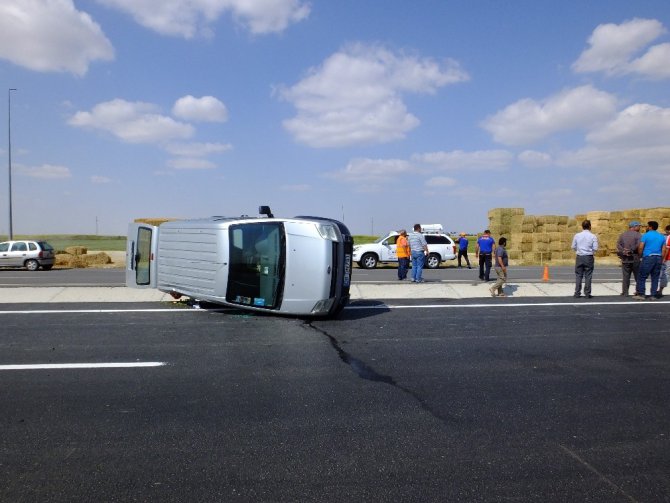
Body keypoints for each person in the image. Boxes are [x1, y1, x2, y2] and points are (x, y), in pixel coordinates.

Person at [635, 221, 667, 300]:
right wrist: (662, 259)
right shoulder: (661, 236)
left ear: (650, 227)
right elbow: (664, 249)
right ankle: (653, 295)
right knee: (655, 277)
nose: (646, 227)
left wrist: (640, 255)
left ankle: (641, 294)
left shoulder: (646, 235)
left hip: (648, 257)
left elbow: (641, 247)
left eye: (647, 226)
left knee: (642, 276)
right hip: (658, 257)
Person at [571, 219, 598, 298]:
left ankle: (577, 292)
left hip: (579, 256)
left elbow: (573, 246)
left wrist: (579, 250)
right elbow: (595, 248)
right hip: (588, 257)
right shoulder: (593, 236)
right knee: (588, 275)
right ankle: (587, 293)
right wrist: (590, 251)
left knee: (578, 275)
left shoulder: (577, 235)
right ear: (590, 226)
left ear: (582, 227)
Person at [616, 221, 641, 296]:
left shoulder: (623, 234)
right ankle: (639, 291)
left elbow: (618, 244)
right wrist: (631, 250)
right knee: (637, 276)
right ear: (634, 226)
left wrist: (623, 250)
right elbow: (639, 245)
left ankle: (625, 292)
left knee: (626, 276)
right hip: (635, 257)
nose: (639, 228)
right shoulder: (638, 235)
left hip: (625, 257)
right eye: (638, 226)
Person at [660, 224, 670, 297]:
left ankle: (660, 290)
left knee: (665, 274)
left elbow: (667, 249)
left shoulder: (668, 237)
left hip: (668, 258)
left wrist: (663, 258)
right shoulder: (666, 236)